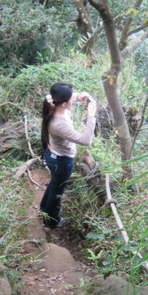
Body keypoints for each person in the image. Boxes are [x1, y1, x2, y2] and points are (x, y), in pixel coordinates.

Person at [40, 82, 97, 228]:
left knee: (54, 184)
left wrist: (79, 97)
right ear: (64, 103)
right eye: (72, 98)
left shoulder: (52, 104)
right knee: (58, 191)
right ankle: (51, 221)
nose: (74, 99)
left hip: (52, 154)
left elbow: (66, 99)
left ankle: (44, 209)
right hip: (62, 162)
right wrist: (91, 116)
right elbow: (86, 140)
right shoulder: (59, 124)